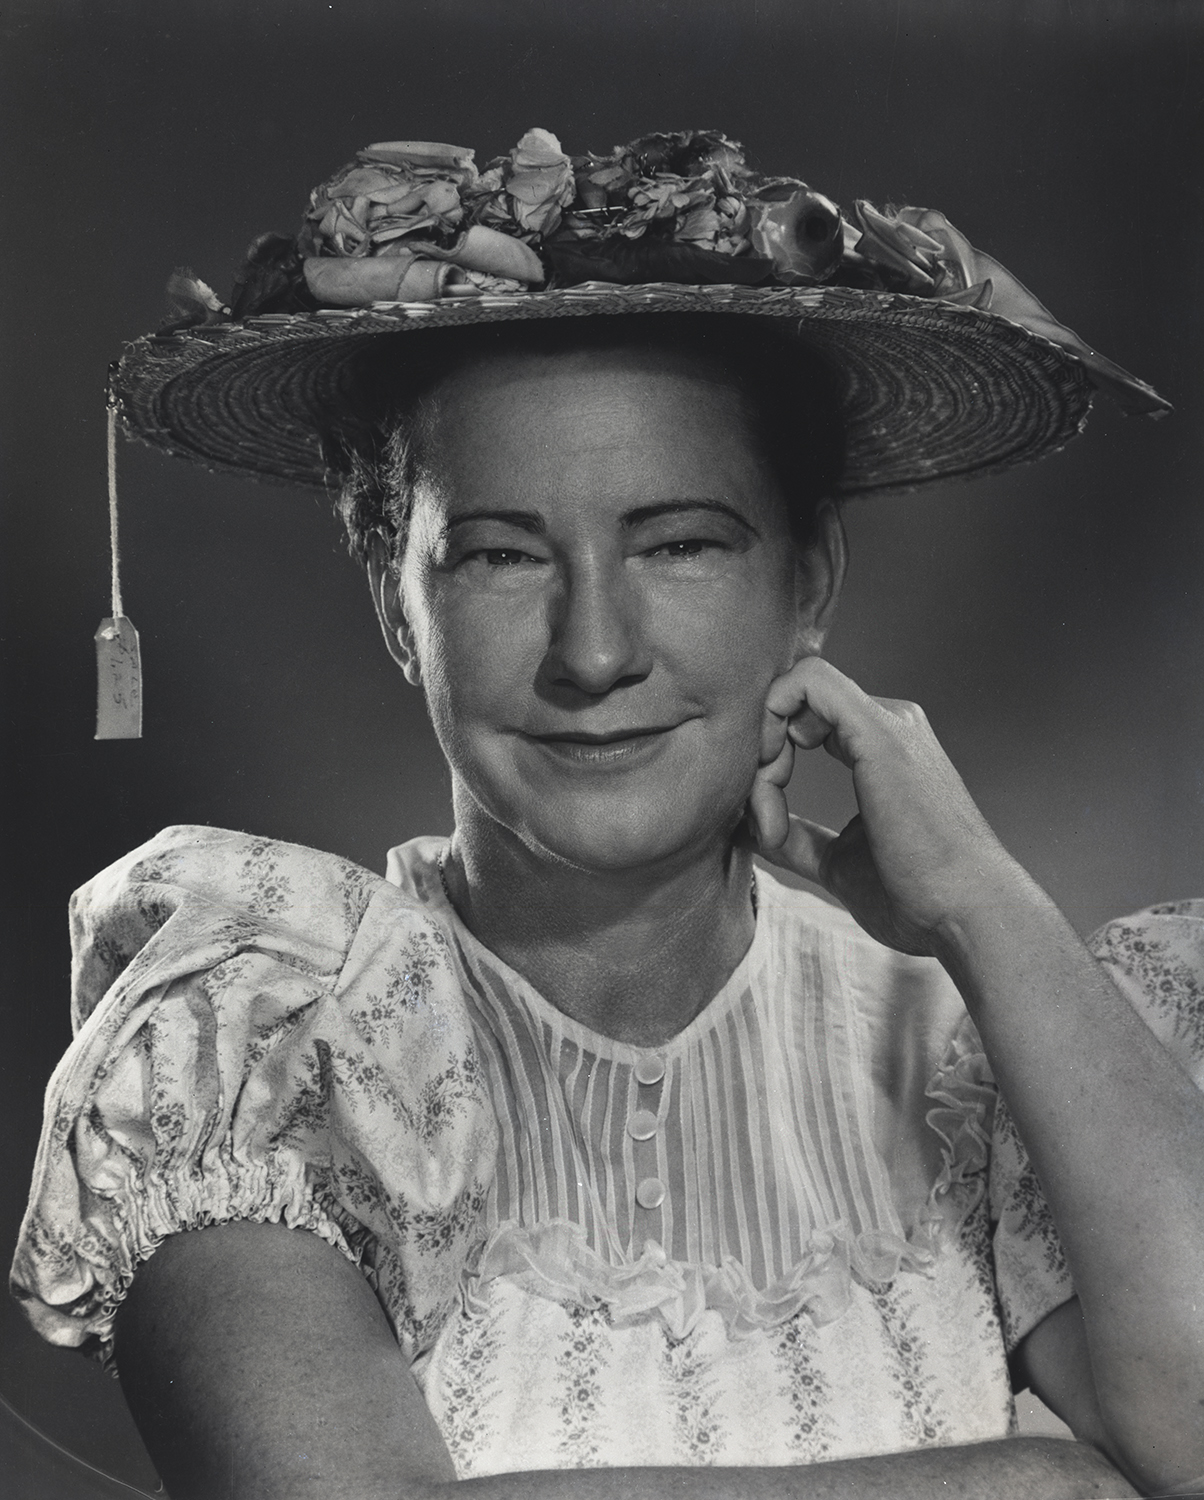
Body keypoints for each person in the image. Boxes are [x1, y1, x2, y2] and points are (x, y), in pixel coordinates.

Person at [10, 128, 1204, 1499]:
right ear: (396, 601)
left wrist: (985, 906)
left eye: (679, 543)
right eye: (501, 557)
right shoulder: (259, 1044)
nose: (593, 652)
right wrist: (1043, 1486)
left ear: (811, 579)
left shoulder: (985, 1061)